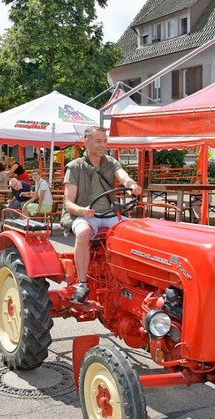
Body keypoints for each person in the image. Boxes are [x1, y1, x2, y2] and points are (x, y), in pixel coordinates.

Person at [62, 127, 142, 303]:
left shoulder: (110, 162)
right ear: (86, 142)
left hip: (109, 213)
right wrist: (83, 211)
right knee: (83, 233)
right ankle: (82, 284)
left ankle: (133, 278)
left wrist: (132, 185)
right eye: (98, 141)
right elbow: (68, 204)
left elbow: (124, 177)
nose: (103, 145)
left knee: (137, 231)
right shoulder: (75, 167)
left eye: (105, 141)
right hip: (84, 215)